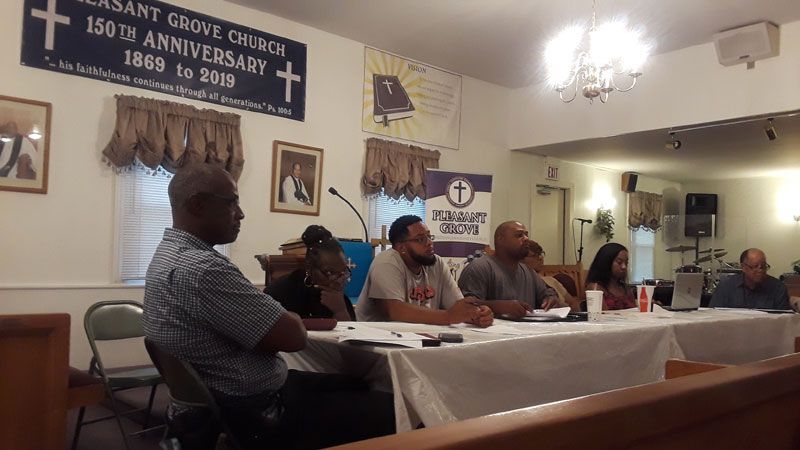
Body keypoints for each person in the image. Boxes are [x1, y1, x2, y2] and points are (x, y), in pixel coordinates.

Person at [142, 165, 394, 450]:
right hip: (256, 410)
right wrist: (284, 317)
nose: (241, 213)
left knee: (355, 383)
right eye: (232, 202)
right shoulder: (204, 269)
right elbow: (293, 338)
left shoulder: (165, 255)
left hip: (216, 400)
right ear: (198, 204)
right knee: (389, 408)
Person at [355, 215, 493, 327]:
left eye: (429, 236)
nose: (429, 243)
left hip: (419, 338)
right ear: (401, 247)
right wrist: (448, 316)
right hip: (376, 343)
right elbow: (394, 311)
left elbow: (457, 308)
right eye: (420, 239)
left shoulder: (436, 263)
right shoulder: (386, 262)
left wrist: (477, 315)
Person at [458, 221, 563, 319]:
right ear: (500, 240)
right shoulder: (479, 268)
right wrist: (499, 307)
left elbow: (547, 292)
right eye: (519, 235)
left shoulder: (528, 271)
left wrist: (550, 298)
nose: (526, 239)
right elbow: (465, 305)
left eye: (526, 234)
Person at [267, 225, 356, 321]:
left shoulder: (338, 296)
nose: (339, 280)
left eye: (343, 272)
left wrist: (340, 310)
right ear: (309, 267)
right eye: (330, 272)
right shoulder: (282, 290)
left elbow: (351, 334)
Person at [709, 248, 791, 310]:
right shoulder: (727, 286)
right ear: (743, 267)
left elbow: (784, 321)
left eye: (763, 267)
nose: (760, 271)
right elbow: (714, 315)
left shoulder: (777, 287)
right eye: (755, 267)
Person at [525, 240, 582, 312]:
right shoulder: (525, 284)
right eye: (534, 255)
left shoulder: (551, 280)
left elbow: (573, 302)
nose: (540, 258)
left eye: (541, 254)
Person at [585, 243, 636, 310]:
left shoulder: (625, 288)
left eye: (626, 263)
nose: (624, 267)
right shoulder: (596, 288)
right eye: (619, 262)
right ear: (606, 262)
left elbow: (635, 311)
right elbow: (602, 317)